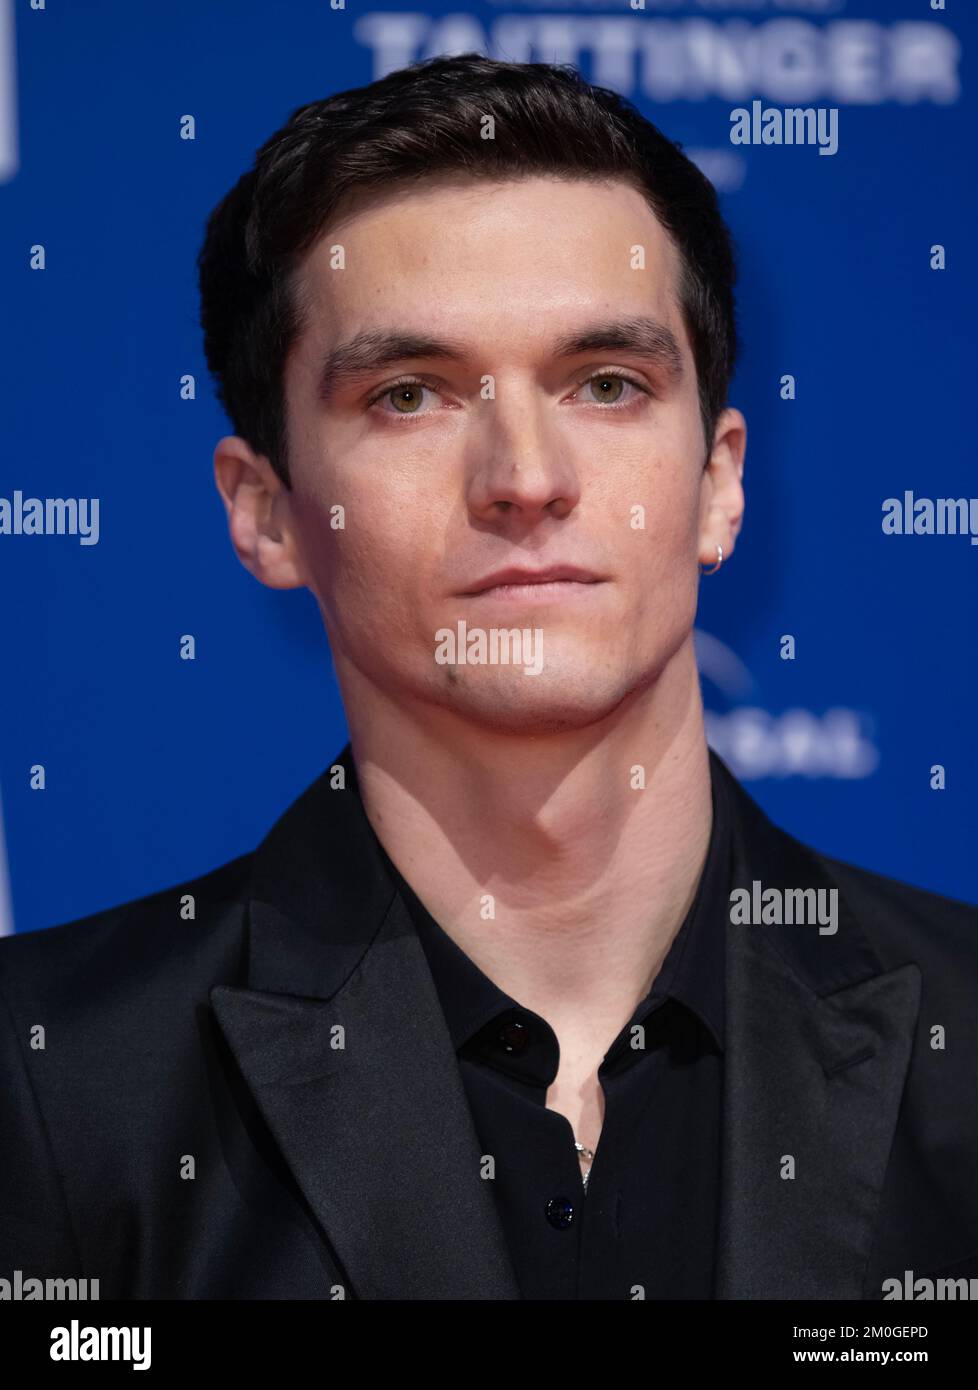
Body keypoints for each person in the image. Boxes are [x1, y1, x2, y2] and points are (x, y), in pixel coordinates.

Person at [1, 54, 976, 1302]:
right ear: (268, 514)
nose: (525, 475)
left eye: (608, 384)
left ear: (720, 484)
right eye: (411, 394)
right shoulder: (50, 1083)